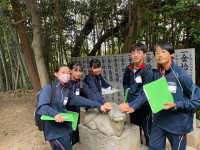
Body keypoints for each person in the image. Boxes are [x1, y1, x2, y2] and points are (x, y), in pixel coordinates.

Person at [119, 42, 200, 150]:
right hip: (159, 122)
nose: (160, 55)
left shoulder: (180, 74)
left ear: (172, 54)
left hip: (177, 125)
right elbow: (147, 94)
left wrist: (176, 105)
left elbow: (196, 99)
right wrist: (132, 105)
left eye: (163, 52)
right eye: (157, 53)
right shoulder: (156, 74)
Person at [37, 64, 112, 150]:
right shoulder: (49, 87)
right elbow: (41, 107)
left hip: (65, 126)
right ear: (56, 74)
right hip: (54, 130)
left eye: (68, 73)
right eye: (63, 72)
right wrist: (55, 114)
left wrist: (99, 105)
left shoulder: (66, 90)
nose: (66, 75)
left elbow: (80, 100)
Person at [67, 62, 112, 145]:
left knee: (75, 131)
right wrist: (99, 105)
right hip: (65, 110)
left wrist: (102, 104)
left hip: (75, 110)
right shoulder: (66, 83)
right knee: (66, 134)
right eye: (75, 70)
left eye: (80, 71)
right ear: (70, 70)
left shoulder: (80, 83)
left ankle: (74, 146)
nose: (78, 73)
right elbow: (76, 99)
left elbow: (90, 93)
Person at [121, 43, 153, 146]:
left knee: (148, 131)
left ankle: (150, 146)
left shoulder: (147, 71)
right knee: (135, 129)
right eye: (133, 52)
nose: (135, 55)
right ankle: (138, 145)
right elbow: (125, 83)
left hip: (144, 106)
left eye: (139, 52)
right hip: (131, 105)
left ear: (144, 55)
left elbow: (146, 93)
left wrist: (134, 104)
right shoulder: (128, 69)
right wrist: (128, 93)